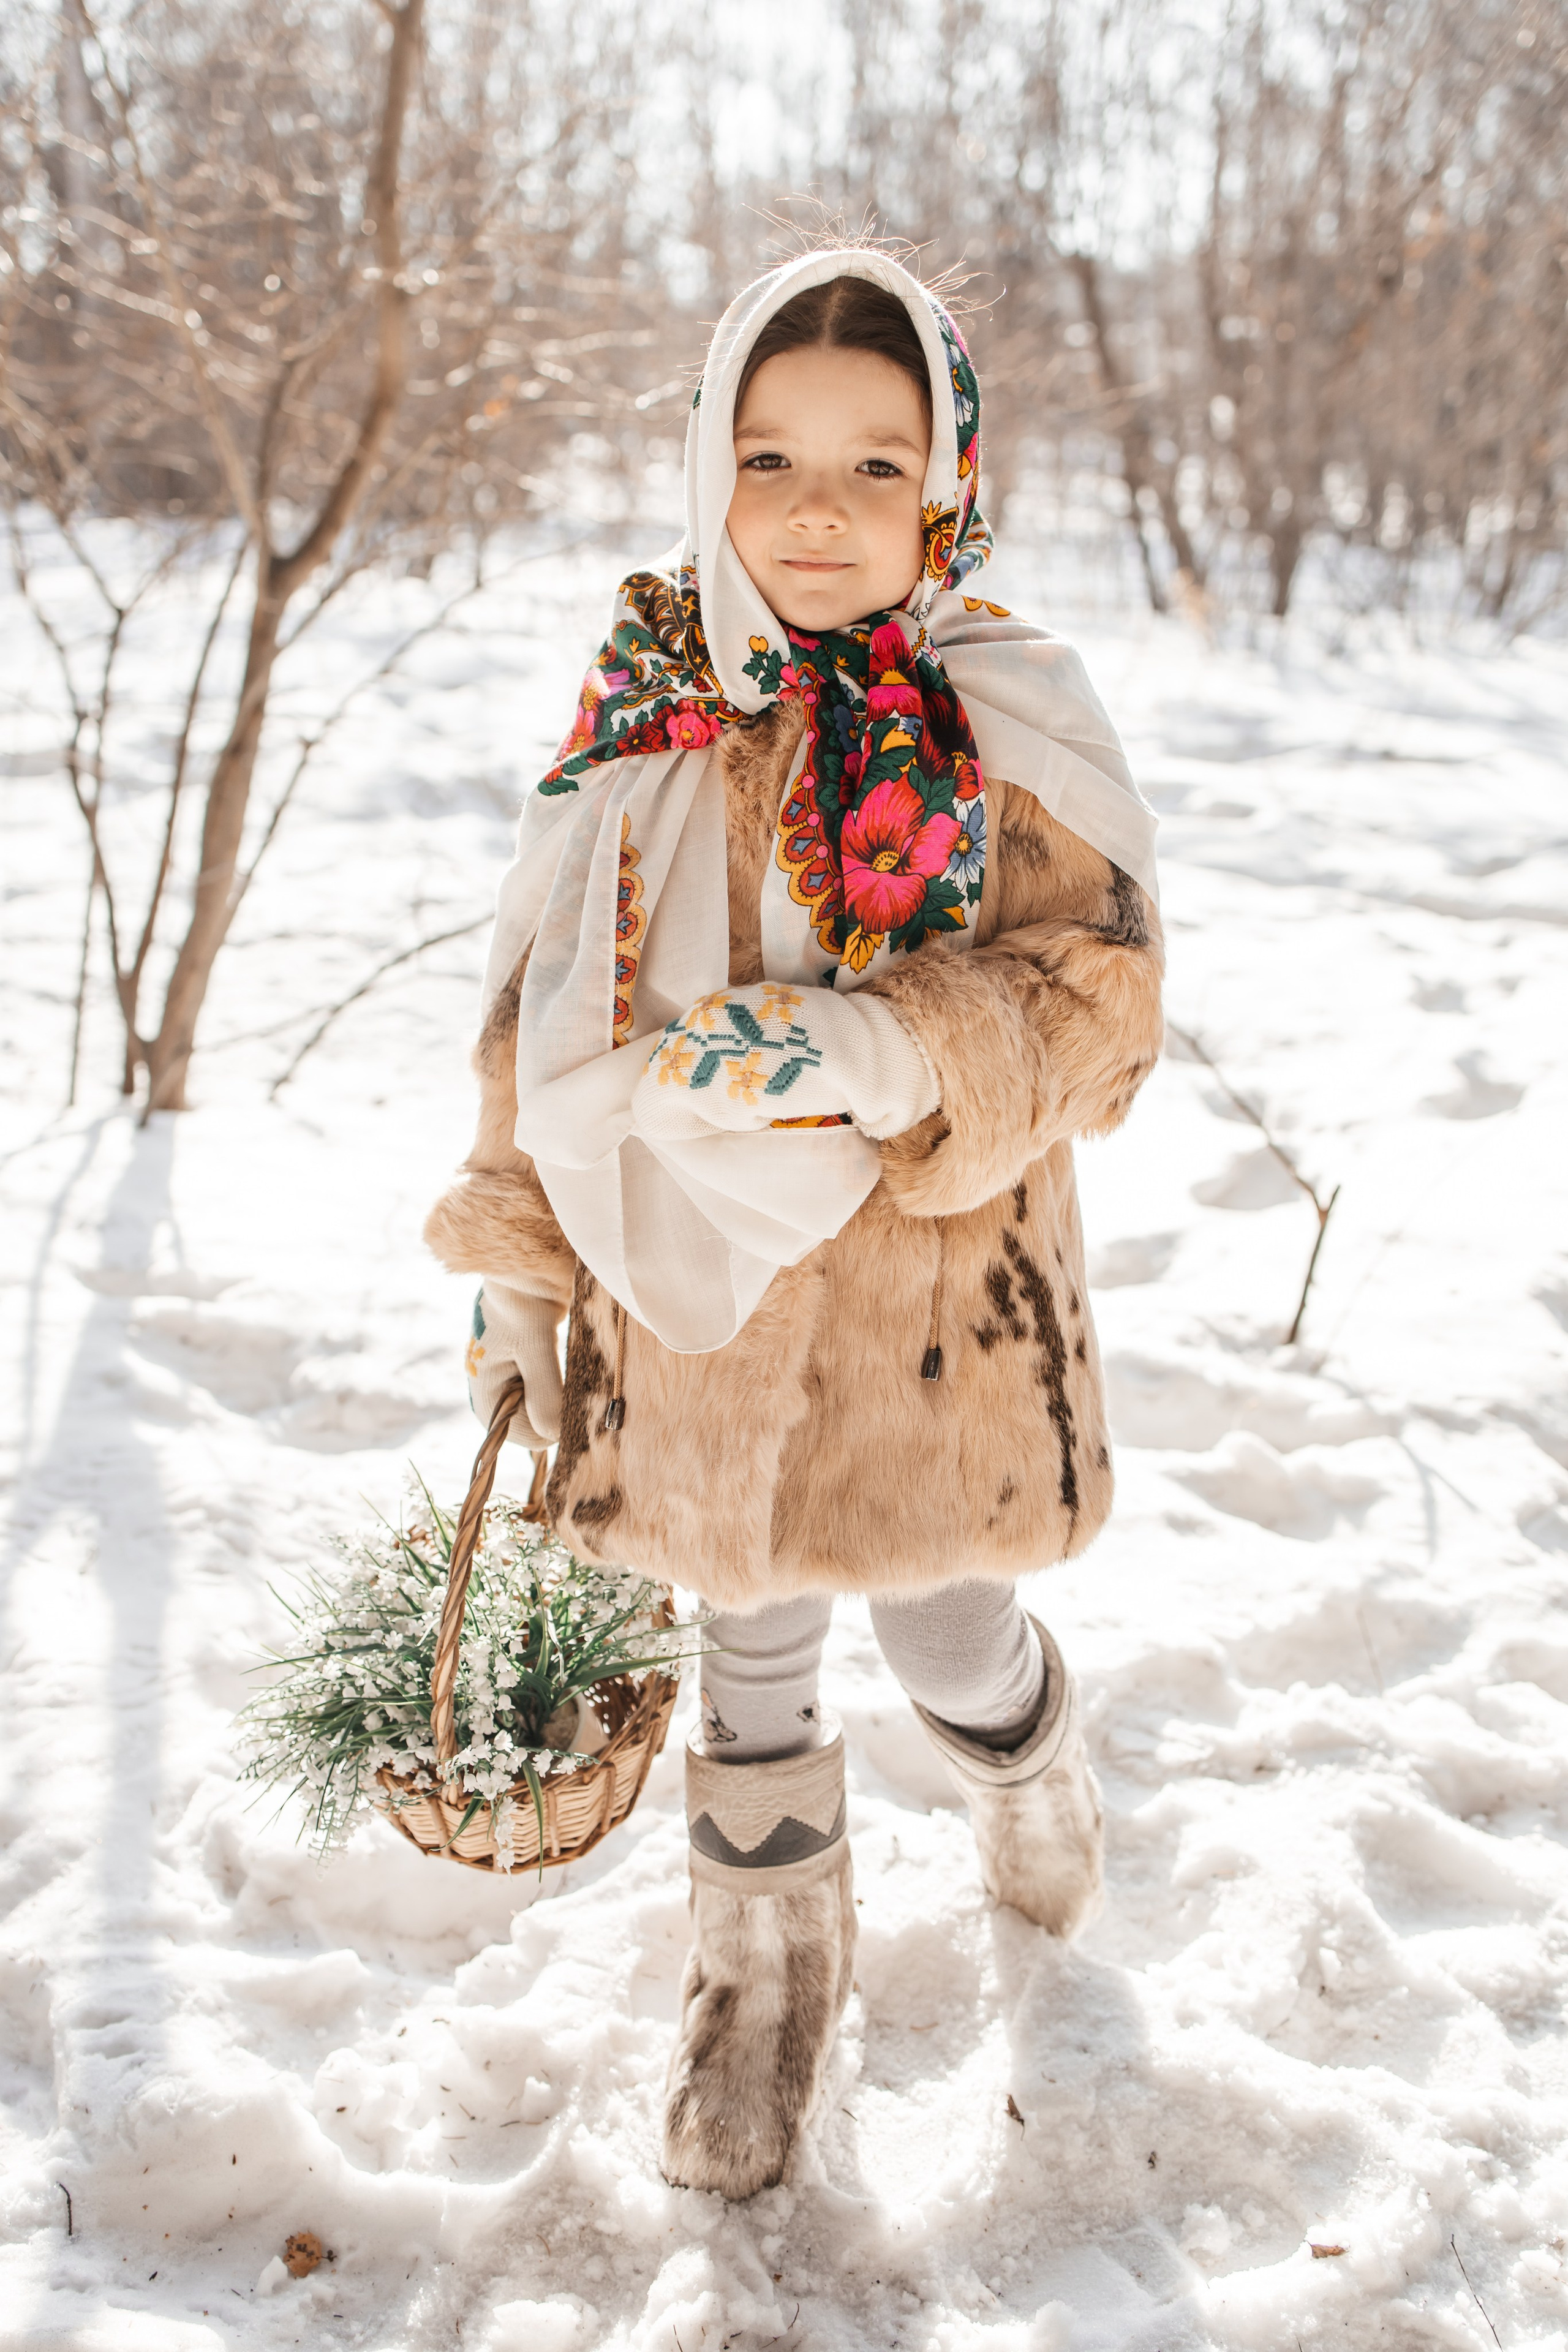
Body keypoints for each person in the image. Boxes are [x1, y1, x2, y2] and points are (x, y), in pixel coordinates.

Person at [426, 246, 1164, 2199]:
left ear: (947, 484)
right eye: (768, 459)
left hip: (940, 1318)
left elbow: (1101, 1007)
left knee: (944, 1627)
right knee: (744, 1637)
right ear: (703, 469)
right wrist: (518, 1267)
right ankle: (757, 2000)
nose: (818, 512)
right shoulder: (649, 721)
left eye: (873, 463)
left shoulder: (1002, 719)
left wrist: (878, 1040)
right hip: (697, 1310)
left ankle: (1026, 1762)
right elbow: (542, 1018)